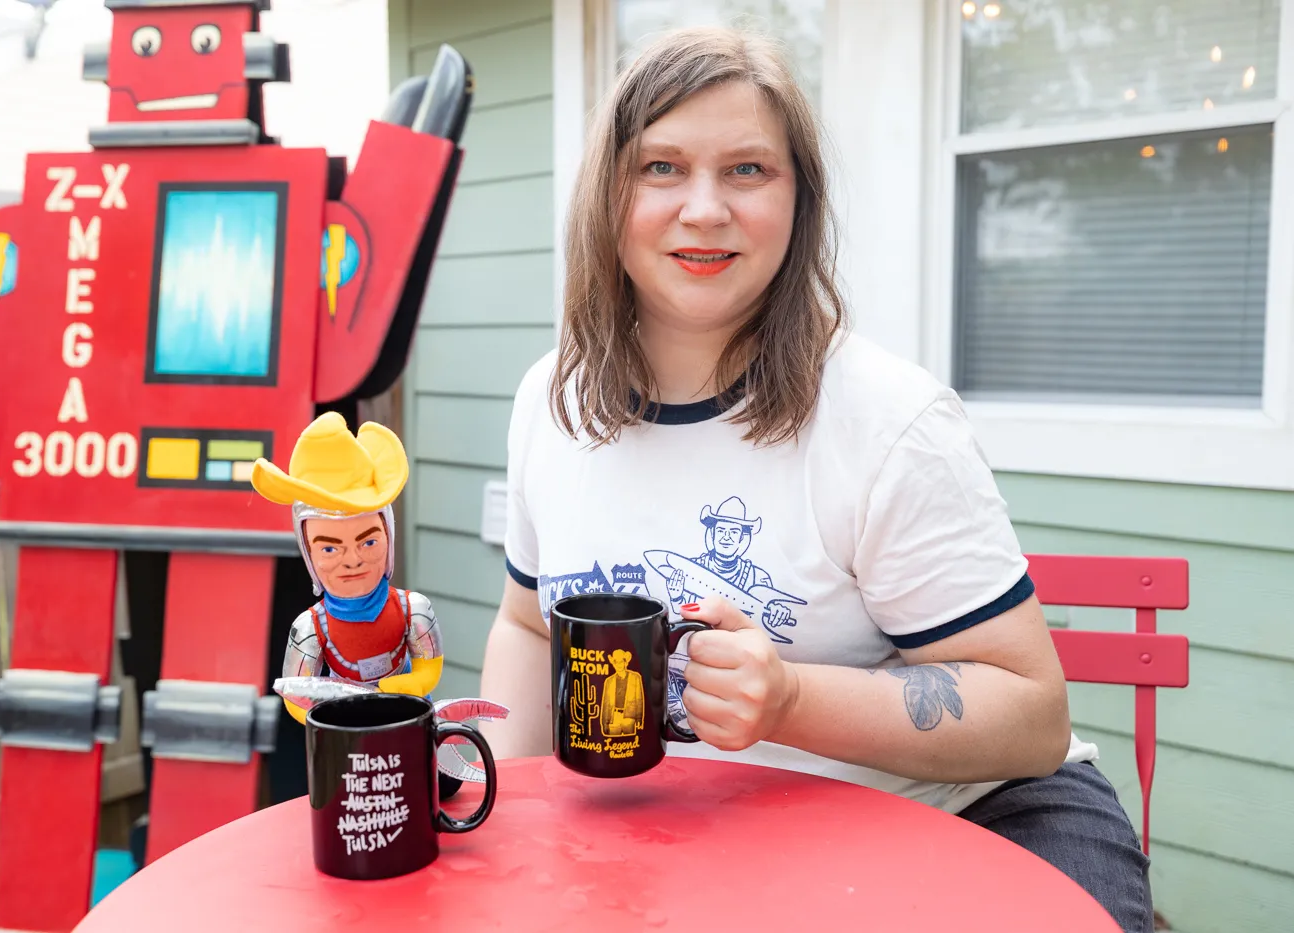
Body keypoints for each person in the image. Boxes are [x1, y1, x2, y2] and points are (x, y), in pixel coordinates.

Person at [477, 25, 1153, 933]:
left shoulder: (890, 419)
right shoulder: (548, 402)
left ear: (799, 201)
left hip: (975, 816)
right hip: (718, 846)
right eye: (662, 167)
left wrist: (789, 698)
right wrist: (490, 817)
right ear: (606, 196)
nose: (706, 208)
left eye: (749, 170)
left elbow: (1031, 717)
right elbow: (527, 623)